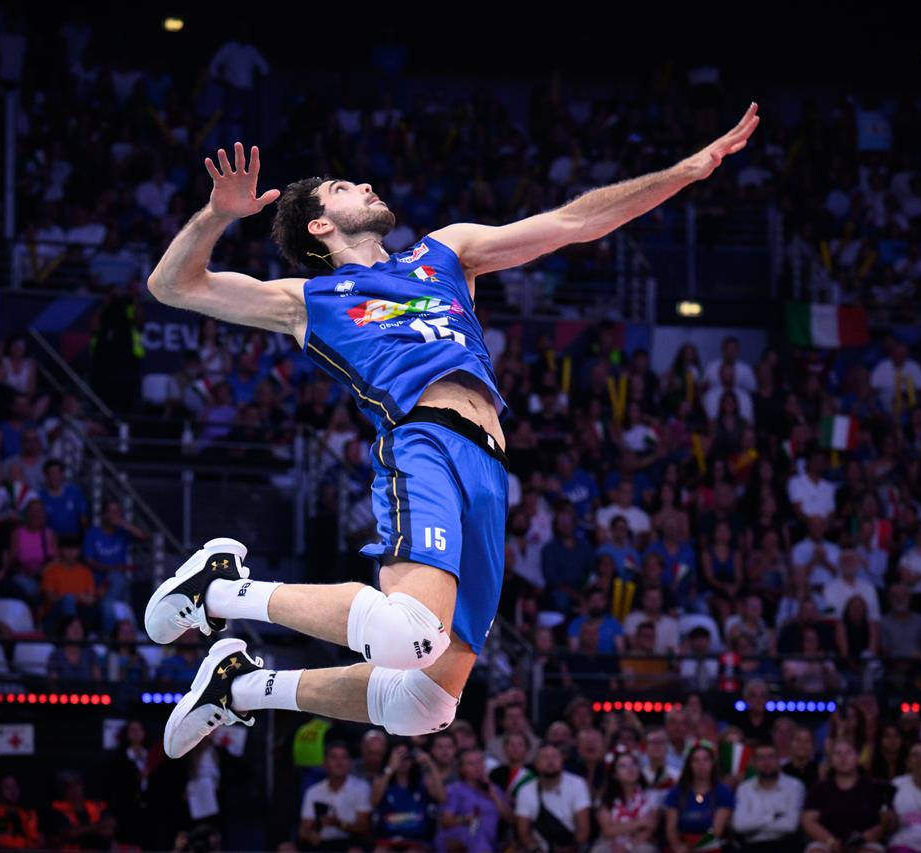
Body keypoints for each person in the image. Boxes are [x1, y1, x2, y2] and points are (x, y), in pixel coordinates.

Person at [144, 107, 762, 758]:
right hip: (424, 442)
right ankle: (217, 587)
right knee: (404, 635)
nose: (365, 186)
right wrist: (216, 215)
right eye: (344, 188)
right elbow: (173, 286)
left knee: (424, 704)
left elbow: (575, 222)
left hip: (489, 470)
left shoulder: (445, 252)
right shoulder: (309, 300)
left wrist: (683, 172)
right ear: (320, 225)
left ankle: (242, 686)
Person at [801, 737, 891, 852]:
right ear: (831, 760)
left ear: (857, 757)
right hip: (826, 842)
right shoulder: (820, 788)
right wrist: (831, 841)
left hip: (866, 842)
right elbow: (808, 821)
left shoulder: (874, 787)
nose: (843, 758)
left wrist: (862, 839)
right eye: (838, 753)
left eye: (848, 752)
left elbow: (887, 823)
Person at [515, 743, 591, 853]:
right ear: (536, 764)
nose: (550, 761)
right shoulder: (525, 791)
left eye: (555, 756)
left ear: (562, 761)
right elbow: (523, 833)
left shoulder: (577, 784)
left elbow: (583, 830)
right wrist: (536, 850)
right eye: (544, 757)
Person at [730, 742, 805, 853]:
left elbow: (790, 825)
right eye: (761, 758)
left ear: (779, 760)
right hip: (752, 847)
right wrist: (773, 817)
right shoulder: (744, 788)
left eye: (771, 757)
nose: (766, 762)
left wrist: (753, 824)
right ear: (754, 762)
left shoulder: (794, 786)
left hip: (785, 845)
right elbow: (739, 825)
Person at [298, 742, 372, 851]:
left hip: (350, 841)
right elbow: (304, 828)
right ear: (325, 763)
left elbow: (363, 827)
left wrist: (337, 823)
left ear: (350, 763)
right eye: (334, 757)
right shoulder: (313, 791)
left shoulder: (361, 787)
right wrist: (309, 835)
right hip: (321, 842)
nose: (339, 762)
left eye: (344, 758)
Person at [436, 747, 512, 853]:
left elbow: (509, 818)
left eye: (479, 762)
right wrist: (464, 819)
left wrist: (494, 794)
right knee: (475, 837)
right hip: (458, 837)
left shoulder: (495, 789)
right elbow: (445, 821)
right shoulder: (454, 790)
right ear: (461, 769)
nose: (477, 767)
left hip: (490, 841)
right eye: (471, 764)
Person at [664, 742, 734, 852]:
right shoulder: (677, 791)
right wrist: (677, 846)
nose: (701, 765)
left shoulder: (723, 792)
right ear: (689, 764)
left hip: (710, 845)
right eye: (696, 760)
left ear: (712, 763)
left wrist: (692, 849)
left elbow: (717, 831)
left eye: (706, 760)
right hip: (681, 846)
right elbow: (671, 829)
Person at [592, 751, 661, 853]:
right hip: (609, 841)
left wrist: (629, 845)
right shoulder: (604, 798)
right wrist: (640, 822)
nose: (630, 768)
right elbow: (608, 830)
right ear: (615, 775)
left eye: (633, 764)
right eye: (623, 766)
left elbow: (651, 827)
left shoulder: (652, 795)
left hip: (640, 841)